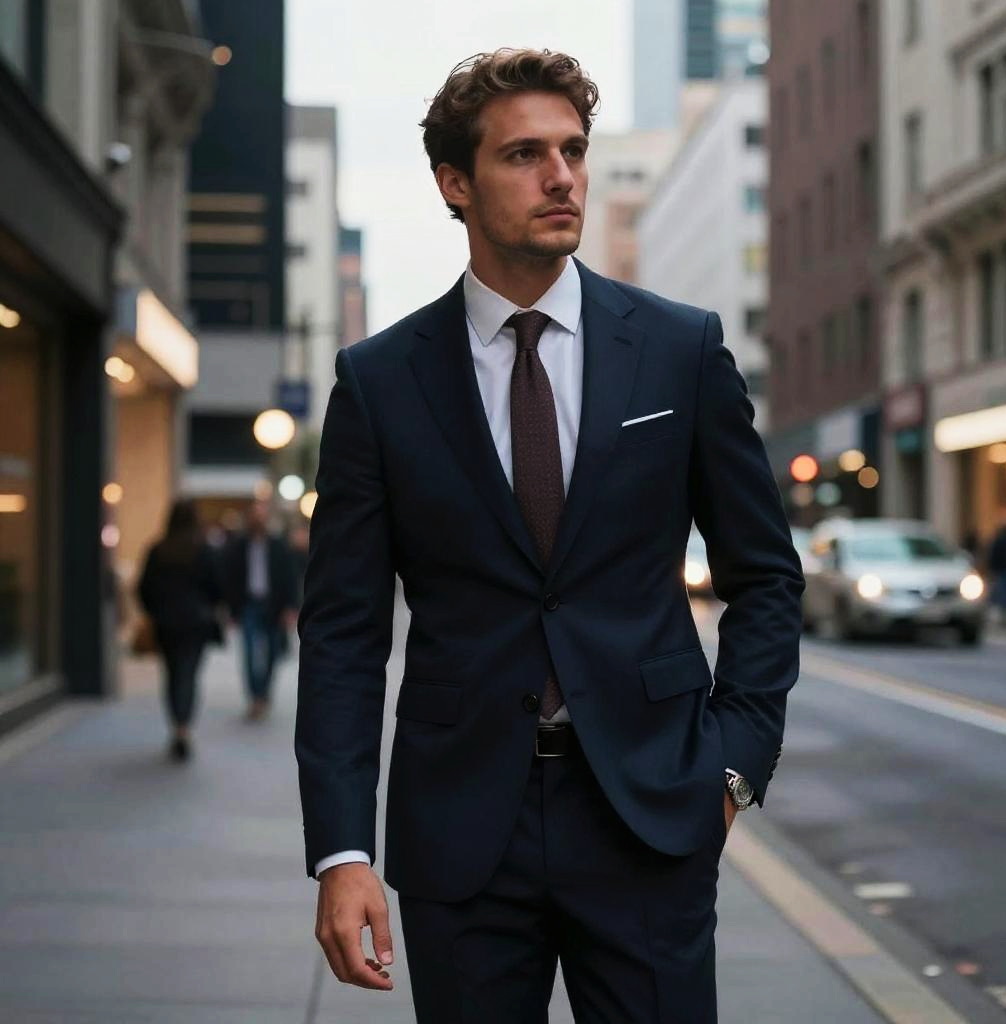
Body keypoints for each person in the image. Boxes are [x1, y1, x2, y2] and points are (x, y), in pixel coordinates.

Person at [296, 49, 804, 1023]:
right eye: (524, 154)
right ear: (455, 183)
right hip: (460, 825)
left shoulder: (680, 349)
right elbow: (343, 634)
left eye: (572, 150)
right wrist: (342, 850)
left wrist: (732, 768)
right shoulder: (379, 382)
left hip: (648, 811)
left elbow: (766, 577)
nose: (561, 175)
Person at [138, 499, 224, 762]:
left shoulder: (158, 550)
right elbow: (216, 587)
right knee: (188, 674)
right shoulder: (203, 550)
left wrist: (155, 611)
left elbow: (144, 588)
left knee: (172, 674)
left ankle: (177, 724)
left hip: (166, 623)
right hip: (195, 622)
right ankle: (183, 726)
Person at [223, 499, 299, 721]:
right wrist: (232, 610)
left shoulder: (278, 546)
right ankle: (255, 697)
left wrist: (291, 607)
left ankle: (264, 692)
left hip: (273, 606)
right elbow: (230, 579)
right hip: (249, 605)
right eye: (255, 516)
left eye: (262, 516)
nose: (259, 520)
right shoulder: (239, 546)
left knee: (273, 652)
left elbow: (289, 577)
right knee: (249, 652)